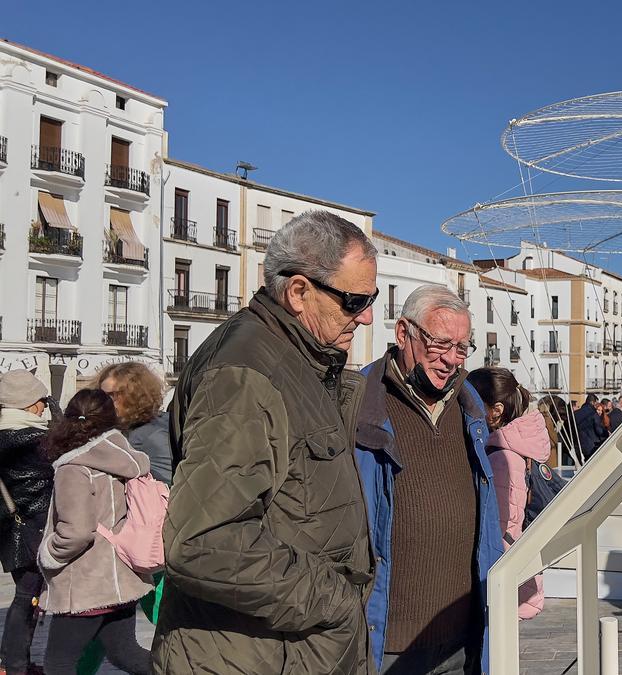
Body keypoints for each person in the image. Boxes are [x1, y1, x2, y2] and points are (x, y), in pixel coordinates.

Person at [152, 211, 377, 674]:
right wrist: (335, 601)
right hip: (248, 656)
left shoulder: (296, 361)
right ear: (299, 292)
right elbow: (203, 541)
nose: (368, 316)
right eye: (354, 300)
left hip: (287, 650)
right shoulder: (245, 375)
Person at [354, 283, 503, 674]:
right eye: (440, 344)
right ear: (404, 333)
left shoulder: (469, 408)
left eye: (461, 347)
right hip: (387, 644)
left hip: (463, 640)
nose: (451, 359)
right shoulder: (358, 403)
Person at [38, 389, 153, 675]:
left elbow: (77, 532)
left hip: (86, 583)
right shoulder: (126, 460)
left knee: (57, 664)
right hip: (121, 577)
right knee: (125, 653)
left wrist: (48, 554)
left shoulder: (74, 468)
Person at [467, 367, 550, 621]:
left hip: (504, 584)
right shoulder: (514, 449)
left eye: (471, 402)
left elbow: (504, 527)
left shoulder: (504, 459)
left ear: (496, 411)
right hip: (514, 579)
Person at [0, 370, 55, 675]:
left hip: (14, 528)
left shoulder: (7, 432)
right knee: (27, 597)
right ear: (26, 404)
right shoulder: (30, 439)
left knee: (28, 596)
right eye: (41, 400)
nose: (44, 407)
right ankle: (14, 664)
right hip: (30, 528)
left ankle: (14, 661)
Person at [95, 363, 172, 484]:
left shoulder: (148, 436)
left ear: (136, 395)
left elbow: (170, 481)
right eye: (102, 396)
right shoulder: (161, 423)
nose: (106, 402)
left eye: (114, 395)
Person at [574, 393, 608, 460]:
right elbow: (599, 430)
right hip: (592, 447)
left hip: (577, 446)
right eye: (596, 403)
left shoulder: (575, 413)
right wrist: (606, 434)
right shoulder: (593, 414)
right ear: (592, 402)